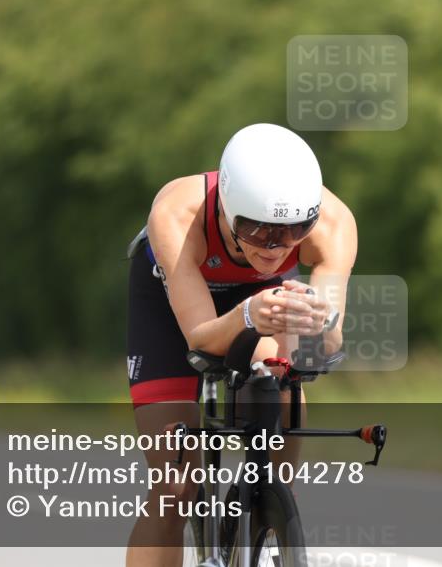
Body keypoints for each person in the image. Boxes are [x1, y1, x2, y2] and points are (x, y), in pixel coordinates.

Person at [125, 123, 357, 567]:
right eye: (256, 230)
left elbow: (328, 340)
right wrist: (248, 314)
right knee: (176, 485)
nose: (275, 247)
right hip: (172, 301)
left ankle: (269, 505)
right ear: (228, 212)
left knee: (280, 373)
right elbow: (199, 337)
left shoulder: (332, 223)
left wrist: (316, 319)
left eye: (292, 232)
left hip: (264, 297)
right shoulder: (178, 211)